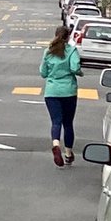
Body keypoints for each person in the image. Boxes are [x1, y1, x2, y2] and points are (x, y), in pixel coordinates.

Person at [39, 25, 82, 168]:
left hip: (51, 92)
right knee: (68, 123)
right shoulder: (71, 51)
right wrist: (80, 73)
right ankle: (68, 154)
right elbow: (75, 68)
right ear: (68, 37)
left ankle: (56, 144)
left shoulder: (48, 51)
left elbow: (43, 73)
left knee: (56, 121)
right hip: (68, 91)